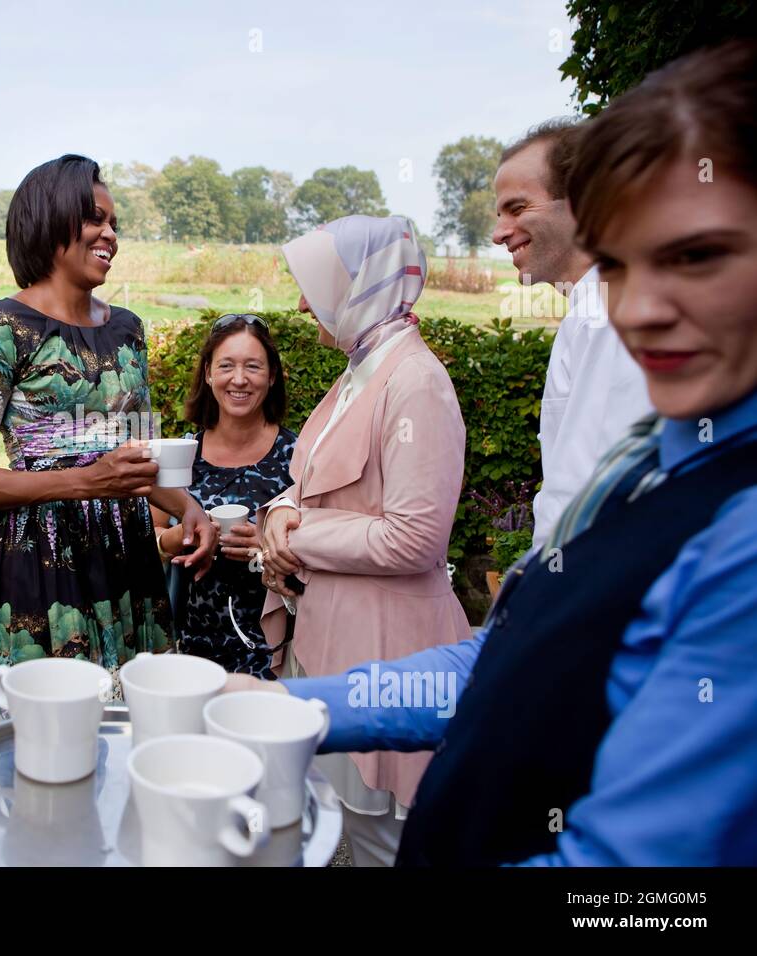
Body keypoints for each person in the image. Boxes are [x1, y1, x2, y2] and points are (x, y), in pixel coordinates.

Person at [230, 39, 757, 866]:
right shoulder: (663, 462)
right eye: (618, 266)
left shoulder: (735, 532)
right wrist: (301, 706)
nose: (641, 310)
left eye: (697, 256)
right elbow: (518, 646)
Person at [0, 154, 216, 710]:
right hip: (37, 563)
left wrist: (189, 509)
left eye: (114, 223)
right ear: (49, 219)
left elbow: (136, 460)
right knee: (48, 733)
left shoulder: (128, 331)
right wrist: (88, 481)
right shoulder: (0, 330)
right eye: (94, 219)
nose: (110, 235)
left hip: (127, 560)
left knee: (137, 722)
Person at [256, 215, 470, 865]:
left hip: (386, 651)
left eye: (314, 286)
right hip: (335, 642)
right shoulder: (362, 370)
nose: (300, 303)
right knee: (337, 832)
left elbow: (415, 538)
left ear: (360, 285)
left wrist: (300, 533)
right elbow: (316, 477)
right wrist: (282, 512)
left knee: (378, 847)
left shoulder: (416, 381)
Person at [492, 118, 652, 542]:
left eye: (517, 208)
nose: (497, 233)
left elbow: (584, 493)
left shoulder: (605, 314)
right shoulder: (598, 305)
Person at [149, 314, 296, 678]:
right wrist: (181, 537)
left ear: (272, 376)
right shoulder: (181, 454)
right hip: (187, 654)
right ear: (209, 374)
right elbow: (149, 543)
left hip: (271, 654)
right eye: (226, 366)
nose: (240, 379)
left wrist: (267, 548)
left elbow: (322, 552)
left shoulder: (300, 457)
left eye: (253, 367)